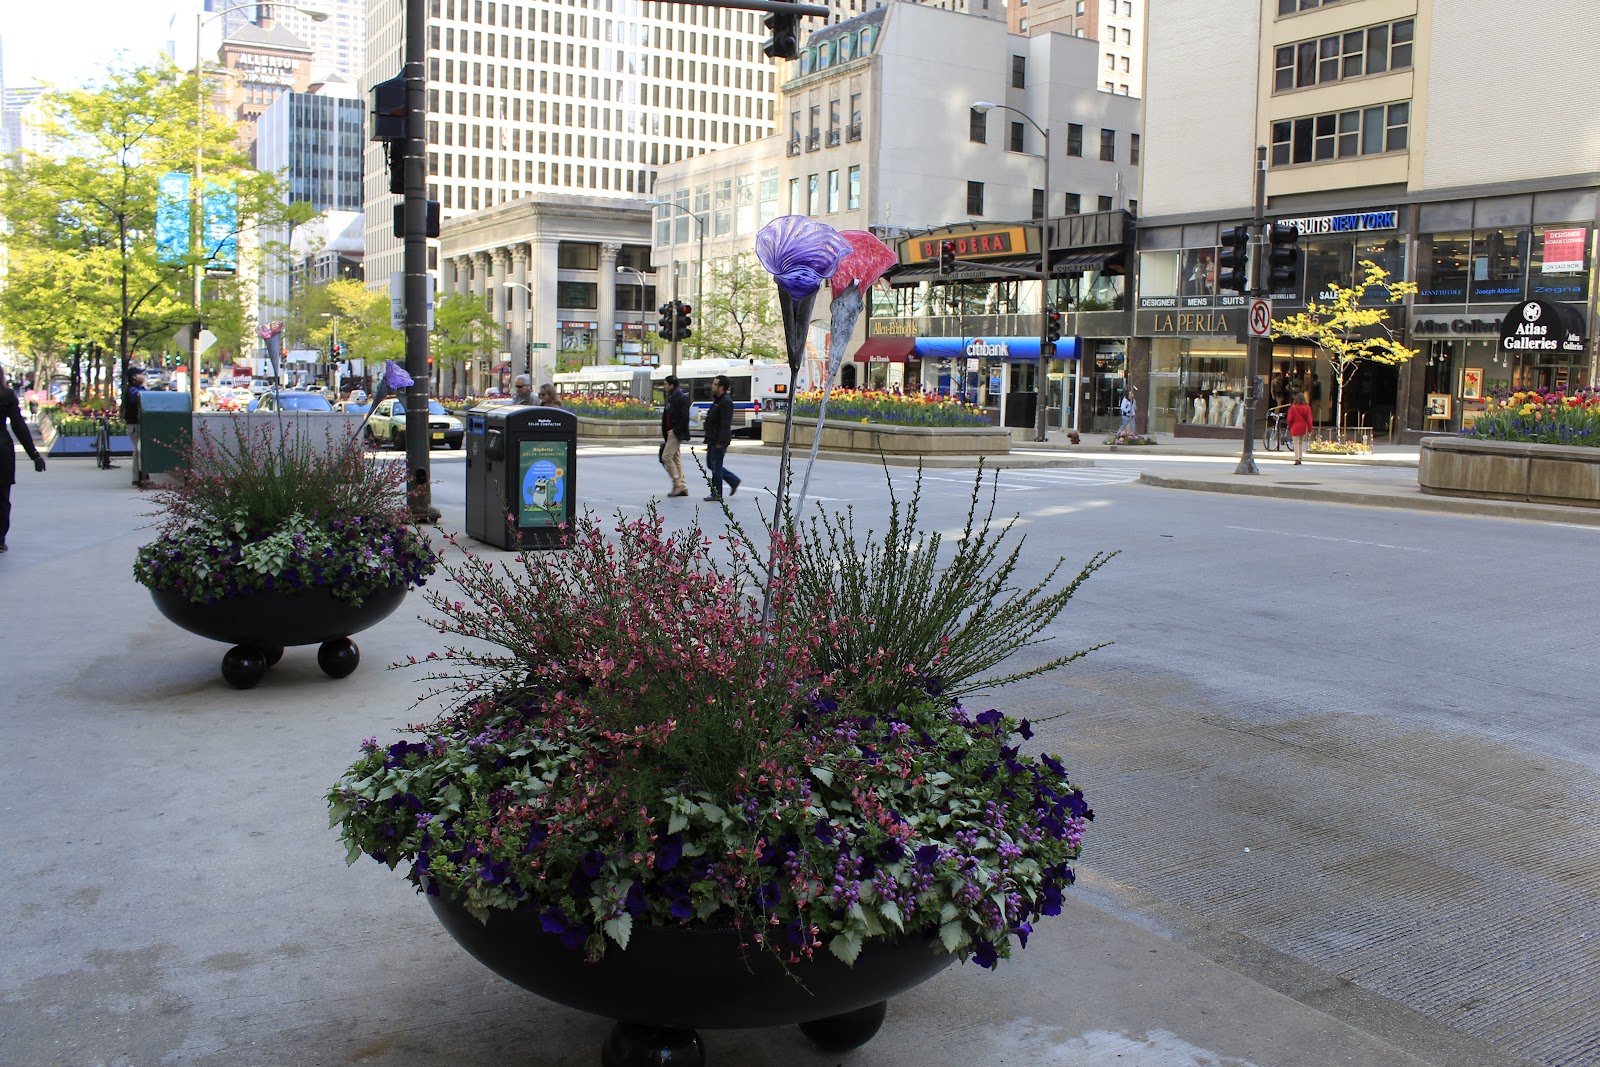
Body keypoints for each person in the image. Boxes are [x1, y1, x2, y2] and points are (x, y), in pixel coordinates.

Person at [0, 369, 47, 552]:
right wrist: (33, 454)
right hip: (2, 450)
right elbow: (18, 425)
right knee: (2, 497)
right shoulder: (6, 394)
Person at [701, 374, 741, 502]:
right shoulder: (717, 400)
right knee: (711, 464)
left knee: (716, 466)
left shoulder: (725, 402)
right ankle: (733, 480)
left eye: (714, 384)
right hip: (712, 438)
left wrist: (721, 441)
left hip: (718, 440)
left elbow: (725, 423)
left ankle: (716, 493)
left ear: (721, 387)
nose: (712, 386)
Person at [659, 374, 690, 498]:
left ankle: (678, 484)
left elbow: (684, 416)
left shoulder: (680, 397)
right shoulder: (670, 396)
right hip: (670, 431)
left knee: (666, 457)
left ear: (671, 385)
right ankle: (683, 486)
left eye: (666, 384)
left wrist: (677, 431)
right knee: (676, 459)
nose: (664, 387)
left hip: (675, 432)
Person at [123, 366, 150, 488]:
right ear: (134, 377)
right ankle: (141, 476)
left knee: (138, 451)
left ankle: (139, 476)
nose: (143, 377)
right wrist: (144, 385)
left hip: (136, 423)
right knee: (140, 450)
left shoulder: (134, 388)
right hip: (135, 424)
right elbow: (142, 398)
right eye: (141, 374)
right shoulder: (132, 390)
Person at [1287, 390, 1314, 465]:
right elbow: (1309, 419)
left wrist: (1290, 427)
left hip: (1295, 426)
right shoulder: (1307, 407)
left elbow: (1290, 419)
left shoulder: (1293, 407)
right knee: (1300, 443)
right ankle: (1300, 457)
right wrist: (1310, 429)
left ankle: (1296, 458)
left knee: (1295, 443)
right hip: (1303, 427)